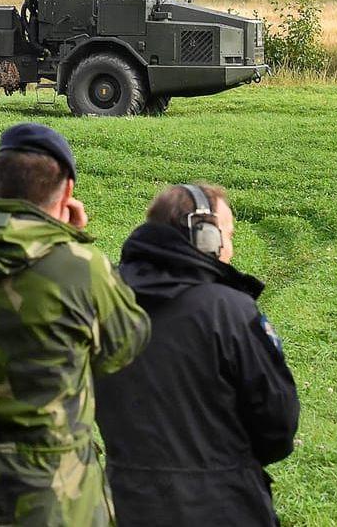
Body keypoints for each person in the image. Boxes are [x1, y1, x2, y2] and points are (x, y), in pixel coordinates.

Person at [0, 123, 151, 526]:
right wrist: (72, 241)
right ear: (68, 193)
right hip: (57, 497)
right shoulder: (82, 267)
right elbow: (124, 347)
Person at [95, 183, 299, 526]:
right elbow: (277, 425)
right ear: (204, 236)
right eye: (227, 235)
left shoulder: (103, 307)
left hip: (126, 504)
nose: (230, 249)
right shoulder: (231, 311)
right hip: (224, 507)